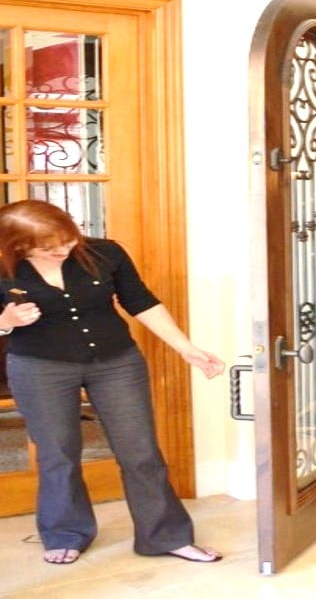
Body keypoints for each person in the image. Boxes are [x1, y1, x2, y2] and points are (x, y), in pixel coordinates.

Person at [0, 200, 225, 565]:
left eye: (67, 240)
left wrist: (187, 349)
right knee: (59, 454)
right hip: (40, 368)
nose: (62, 250)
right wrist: (6, 321)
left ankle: (164, 536)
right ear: (17, 246)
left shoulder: (105, 252)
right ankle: (66, 533)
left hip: (116, 362)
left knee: (141, 452)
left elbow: (141, 302)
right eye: (47, 247)